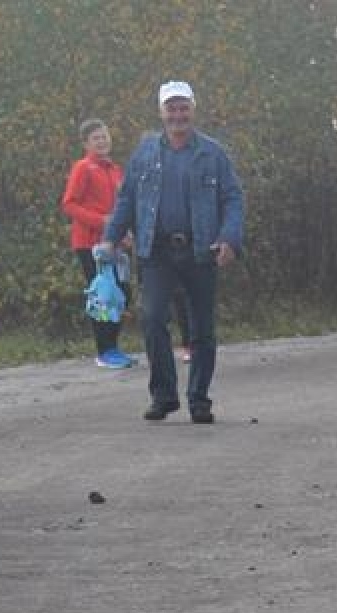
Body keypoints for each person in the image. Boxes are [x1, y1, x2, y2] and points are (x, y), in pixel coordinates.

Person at [97, 81, 244, 424]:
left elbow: (233, 198)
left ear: (193, 109)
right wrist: (111, 237)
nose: (178, 114)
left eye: (183, 107)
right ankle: (163, 396)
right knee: (152, 320)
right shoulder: (146, 153)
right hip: (157, 251)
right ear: (161, 112)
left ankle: (199, 400)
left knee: (201, 328)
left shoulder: (213, 153)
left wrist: (229, 238)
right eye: (171, 108)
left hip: (200, 250)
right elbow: (127, 199)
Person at [60, 119, 133, 369]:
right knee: (103, 296)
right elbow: (69, 204)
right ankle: (104, 351)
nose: (102, 141)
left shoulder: (115, 170)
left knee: (123, 293)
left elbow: (123, 206)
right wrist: (102, 222)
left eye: (105, 136)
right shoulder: (83, 167)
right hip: (90, 243)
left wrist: (125, 231)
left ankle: (113, 346)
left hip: (115, 244)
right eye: (96, 138)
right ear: (86, 143)